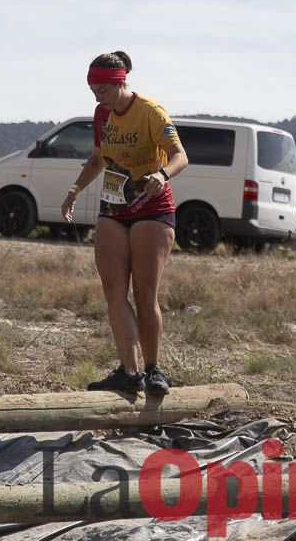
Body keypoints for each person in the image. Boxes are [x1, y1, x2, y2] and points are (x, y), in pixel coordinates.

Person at [61, 51, 189, 395]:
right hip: (114, 208)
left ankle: (153, 369)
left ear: (119, 82)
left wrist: (162, 175)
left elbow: (181, 156)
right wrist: (74, 191)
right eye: (93, 90)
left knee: (145, 294)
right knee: (113, 292)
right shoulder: (102, 113)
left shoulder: (150, 111)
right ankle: (129, 371)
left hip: (152, 208)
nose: (97, 96)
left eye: (102, 89)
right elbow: (98, 159)